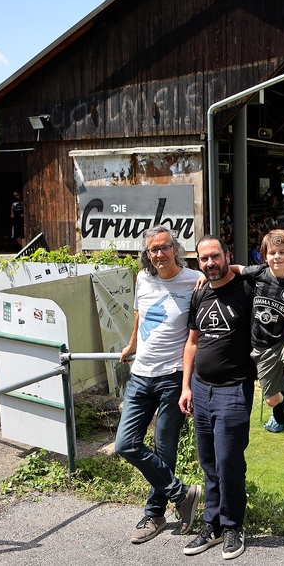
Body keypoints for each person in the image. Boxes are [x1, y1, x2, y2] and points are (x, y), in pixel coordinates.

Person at [179, 236, 284, 559]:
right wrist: (186, 386)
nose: (210, 263)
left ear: (226, 256)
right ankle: (213, 525)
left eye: (215, 256)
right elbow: (192, 343)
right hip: (201, 388)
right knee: (208, 462)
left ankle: (233, 526)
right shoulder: (201, 293)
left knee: (228, 460)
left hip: (234, 388)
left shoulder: (250, 286)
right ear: (198, 262)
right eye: (203, 259)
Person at [198, 229, 284, 431]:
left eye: (282, 252)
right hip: (260, 349)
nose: (277, 257)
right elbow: (236, 268)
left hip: (283, 343)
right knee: (271, 400)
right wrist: (208, 277)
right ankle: (282, 406)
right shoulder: (258, 274)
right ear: (264, 256)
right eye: (272, 253)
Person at [115, 226, 202, 545]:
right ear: (147, 254)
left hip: (172, 378)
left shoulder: (194, 280)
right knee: (125, 444)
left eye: (165, 248)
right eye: (154, 250)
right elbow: (140, 314)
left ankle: (155, 514)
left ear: (175, 250)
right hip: (140, 374)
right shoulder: (143, 278)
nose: (160, 254)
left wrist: (187, 384)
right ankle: (182, 494)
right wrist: (132, 342)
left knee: (165, 451)